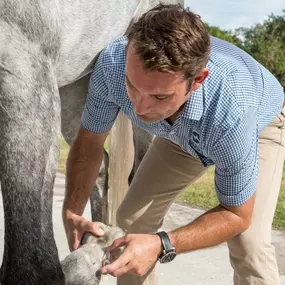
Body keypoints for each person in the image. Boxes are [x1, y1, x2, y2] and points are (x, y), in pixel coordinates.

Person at [62, 4, 285, 285]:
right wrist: (72, 210)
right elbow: (90, 141)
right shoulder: (112, 66)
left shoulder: (231, 110)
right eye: (132, 86)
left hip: (259, 125)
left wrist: (162, 243)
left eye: (159, 96)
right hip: (179, 132)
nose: (140, 108)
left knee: (248, 242)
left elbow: (237, 214)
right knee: (132, 217)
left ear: (197, 81)